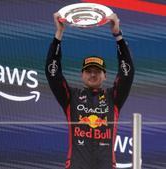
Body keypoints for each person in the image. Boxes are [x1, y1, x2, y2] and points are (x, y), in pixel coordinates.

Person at [45, 12, 134, 169]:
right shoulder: (71, 97)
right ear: (82, 75)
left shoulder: (113, 97)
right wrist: (58, 34)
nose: (92, 74)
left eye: (97, 71)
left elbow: (127, 73)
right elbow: (52, 73)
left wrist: (118, 36)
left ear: (105, 76)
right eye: (88, 71)